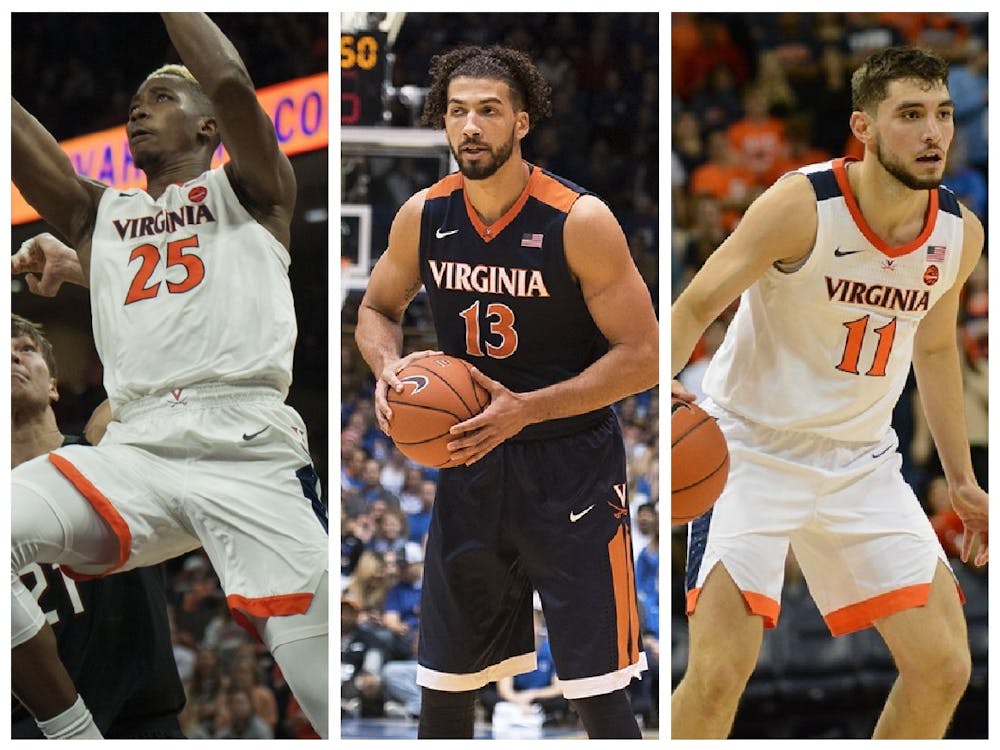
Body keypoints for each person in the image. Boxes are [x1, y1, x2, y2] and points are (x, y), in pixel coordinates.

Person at [10, 13, 328, 739]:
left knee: (324, 695)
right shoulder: (99, 214)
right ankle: (72, 733)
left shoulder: (252, 189)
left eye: (159, 97)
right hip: (139, 446)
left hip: (245, 442)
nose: (137, 109)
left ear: (209, 128)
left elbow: (228, 79)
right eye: (134, 103)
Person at [670, 45, 988, 739]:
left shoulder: (961, 231)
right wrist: (660, 400)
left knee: (942, 667)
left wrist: (961, 480)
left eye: (941, 114)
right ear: (864, 127)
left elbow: (933, 347)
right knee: (720, 673)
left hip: (860, 462)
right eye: (909, 115)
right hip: (747, 452)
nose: (933, 132)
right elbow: (694, 306)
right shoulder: (802, 203)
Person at [355, 44, 659, 739]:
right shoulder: (423, 216)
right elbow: (376, 311)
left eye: (488, 111)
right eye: (457, 112)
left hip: (572, 468)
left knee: (600, 696)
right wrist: (389, 369)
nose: (470, 126)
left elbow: (644, 357)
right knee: (444, 692)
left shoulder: (579, 220)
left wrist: (528, 409)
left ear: (521, 122)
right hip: (470, 465)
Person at [10, 313, 187, 738]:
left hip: (143, 722)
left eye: (25, 349)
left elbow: (172, 357)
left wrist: (91, 269)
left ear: (53, 384)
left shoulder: (108, 448)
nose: (11, 358)